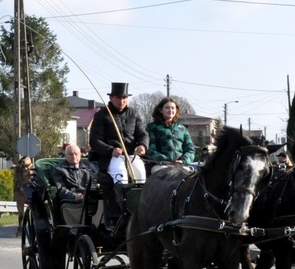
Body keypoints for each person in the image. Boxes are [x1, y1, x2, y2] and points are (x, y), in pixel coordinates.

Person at [89, 82, 149, 229]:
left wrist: (142, 146)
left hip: (132, 155)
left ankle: (142, 210)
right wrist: (111, 150)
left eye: (124, 98)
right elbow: (94, 141)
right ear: (112, 98)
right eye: (119, 98)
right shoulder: (102, 115)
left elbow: (142, 133)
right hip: (112, 157)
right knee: (121, 175)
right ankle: (122, 213)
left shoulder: (134, 113)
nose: (122, 101)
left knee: (141, 175)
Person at [145, 97, 195, 173]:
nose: (170, 110)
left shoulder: (183, 129)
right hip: (160, 165)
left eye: (173, 108)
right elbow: (151, 150)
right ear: (160, 110)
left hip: (181, 165)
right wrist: (166, 161)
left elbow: (190, 150)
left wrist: (183, 160)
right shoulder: (152, 127)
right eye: (167, 108)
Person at [51, 144, 96, 224]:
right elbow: (61, 189)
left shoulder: (90, 167)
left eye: (76, 154)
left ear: (80, 155)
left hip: (89, 197)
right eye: (71, 154)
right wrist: (74, 196)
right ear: (65, 155)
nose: (74, 156)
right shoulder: (58, 169)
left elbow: (96, 181)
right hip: (71, 200)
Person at [12, 156, 34, 236]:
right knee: (20, 212)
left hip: (30, 188)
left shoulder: (33, 169)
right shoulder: (19, 170)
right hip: (20, 190)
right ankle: (20, 227)